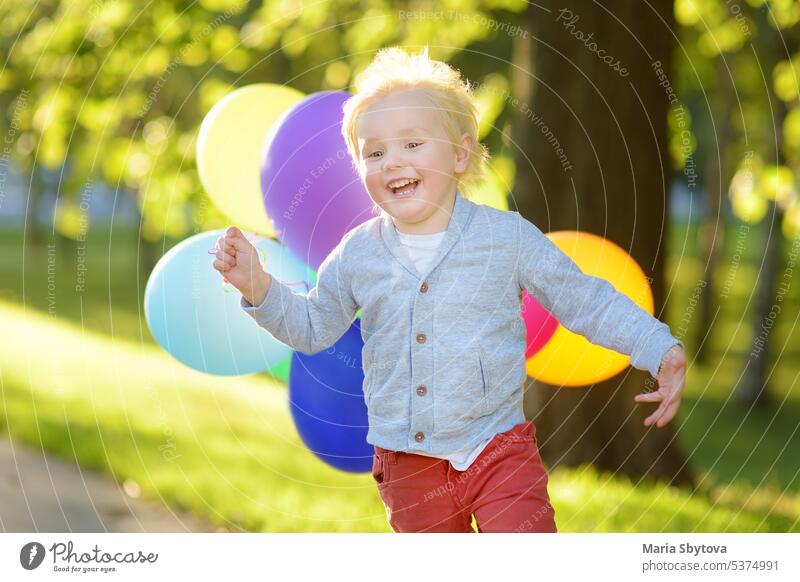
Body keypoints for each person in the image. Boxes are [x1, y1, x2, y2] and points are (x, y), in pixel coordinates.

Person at [211, 47, 687, 533]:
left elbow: (583, 298)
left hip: (499, 449)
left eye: (412, 144)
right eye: (374, 153)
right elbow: (313, 327)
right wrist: (260, 287)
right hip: (407, 465)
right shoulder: (359, 252)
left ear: (460, 153)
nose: (392, 161)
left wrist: (656, 346)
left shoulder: (506, 237)